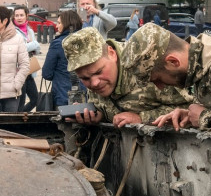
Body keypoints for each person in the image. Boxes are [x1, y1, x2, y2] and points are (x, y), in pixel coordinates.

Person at [62, 27, 193, 127]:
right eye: (85, 79)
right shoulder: (96, 73)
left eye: (98, 72)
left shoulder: (144, 66)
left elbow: (191, 109)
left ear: (112, 53)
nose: (95, 83)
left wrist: (142, 118)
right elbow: (105, 107)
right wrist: (99, 116)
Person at [43, 10, 83, 106]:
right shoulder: (86, 42)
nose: (56, 26)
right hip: (85, 94)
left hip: (63, 94)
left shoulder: (58, 43)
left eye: (59, 23)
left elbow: (46, 73)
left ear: (67, 24)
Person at [13, 6, 41, 112]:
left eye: (21, 15)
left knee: (35, 99)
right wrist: (33, 45)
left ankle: (21, 115)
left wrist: (33, 46)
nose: (19, 18)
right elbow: (19, 49)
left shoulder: (29, 31)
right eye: (17, 15)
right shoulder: (13, 31)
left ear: (26, 16)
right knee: (21, 100)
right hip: (18, 70)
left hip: (29, 69)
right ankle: (18, 120)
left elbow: (37, 50)